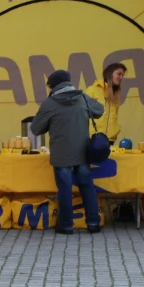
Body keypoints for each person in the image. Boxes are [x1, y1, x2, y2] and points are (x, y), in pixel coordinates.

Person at [30, 70, 105, 235]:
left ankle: (66, 225)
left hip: (61, 154)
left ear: (53, 87)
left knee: (64, 189)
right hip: (82, 153)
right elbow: (99, 110)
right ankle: (93, 223)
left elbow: (35, 129)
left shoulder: (49, 104)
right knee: (87, 186)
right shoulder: (83, 98)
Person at [86, 62, 127, 144]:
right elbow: (83, 113)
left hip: (110, 139)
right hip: (94, 138)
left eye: (122, 75)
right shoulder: (92, 90)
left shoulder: (115, 94)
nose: (121, 77)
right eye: (119, 74)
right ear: (109, 74)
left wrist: (115, 130)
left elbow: (115, 114)